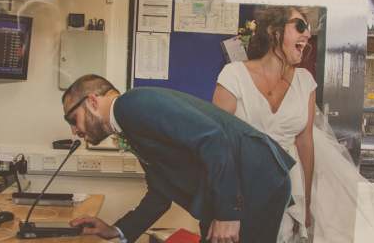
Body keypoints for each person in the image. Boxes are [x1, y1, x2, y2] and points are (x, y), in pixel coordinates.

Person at [212, 6, 374, 243]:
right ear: (274, 32)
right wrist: (226, 206)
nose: (307, 34)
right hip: (239, 188)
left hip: (286, 190)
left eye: (309, 29)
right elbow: (217, 144)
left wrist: (305, 206)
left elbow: (305, 143)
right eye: (300, 26)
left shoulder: (306, 82)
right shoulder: (233, 75)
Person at [62, 74, 296, 243]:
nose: (74, 130)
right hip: (238, 190)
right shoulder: (129, 122)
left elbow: (213, 139)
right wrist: (116, 229)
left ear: (92, 102)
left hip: (254, 184)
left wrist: (228, 214)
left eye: (72, 119)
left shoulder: (130, 104)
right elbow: (161, 191)